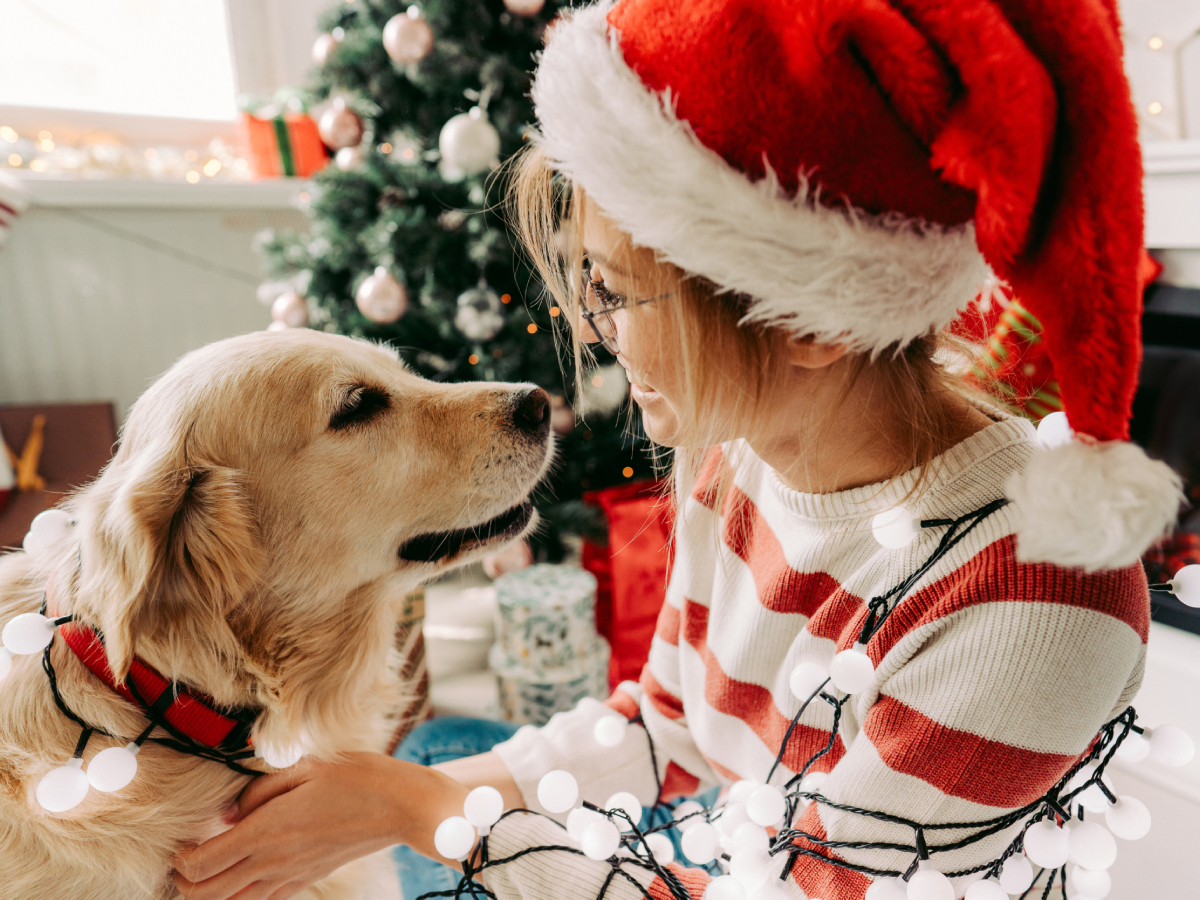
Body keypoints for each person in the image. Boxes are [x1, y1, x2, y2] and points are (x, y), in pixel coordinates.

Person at [173, 1, 1182, 898]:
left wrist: (411, 810)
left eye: (619, 289)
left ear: (808, 322)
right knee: (433, 761)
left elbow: (783, 890)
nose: (598, 328)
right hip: (708, 841)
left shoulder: (1038, 595)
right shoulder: (740, 448)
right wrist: (405, 795)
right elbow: (667, 730)